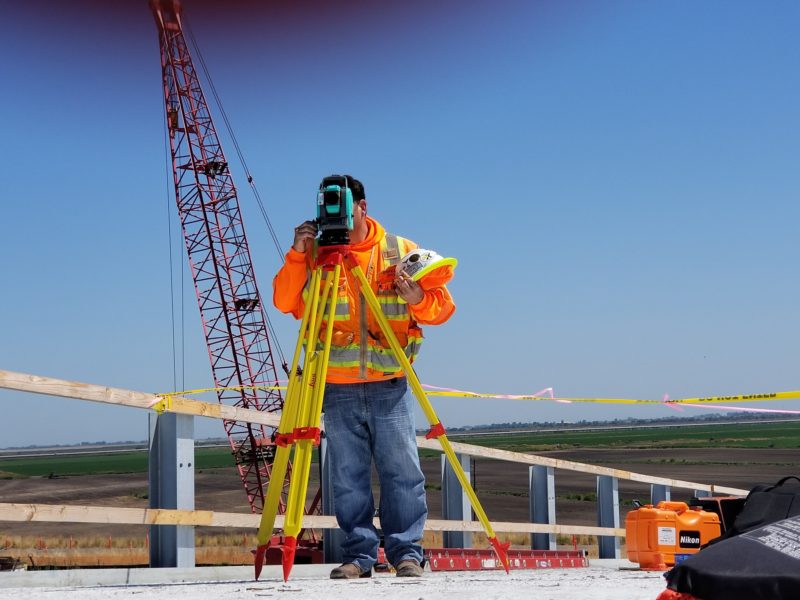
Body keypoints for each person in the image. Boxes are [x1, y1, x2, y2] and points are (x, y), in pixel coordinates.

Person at [272, 175, 455, 579]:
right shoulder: (316, 255)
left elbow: (442, 309)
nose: (335, 215)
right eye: (328, 206)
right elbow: (285, 301)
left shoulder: (399, 251)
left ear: (363, 207)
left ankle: (406, 552)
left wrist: (419, 299)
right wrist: (299, 254)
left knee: (402, 472)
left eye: (343, 206)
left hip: (389, 382)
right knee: (347, 477)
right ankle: (359, 556)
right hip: (335, 386)